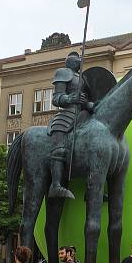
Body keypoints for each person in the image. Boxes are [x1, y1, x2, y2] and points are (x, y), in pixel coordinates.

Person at [47, 51, 94, 199]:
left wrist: (89, 104)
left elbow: (84, 100)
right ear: (71, 62)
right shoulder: (63, 73)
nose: (79, 62)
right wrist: (70, 98)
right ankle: (55, 185)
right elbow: (56, 99)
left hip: (83, 114)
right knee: (59, 143)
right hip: (67, 113)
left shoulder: (83, 78)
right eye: (77, 60)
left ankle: (91, 186)